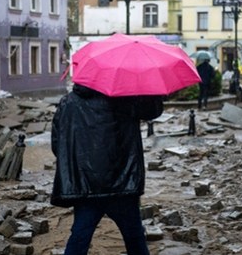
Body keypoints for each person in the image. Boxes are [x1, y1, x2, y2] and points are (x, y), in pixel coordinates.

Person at [50, 84, 163, 255]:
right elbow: (152, 111)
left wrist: (82, 165)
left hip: (86, 185)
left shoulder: (68, 102)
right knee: (135, 238)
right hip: (122, 183)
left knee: (79, 237)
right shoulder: (126, 99)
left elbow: (58, 144)